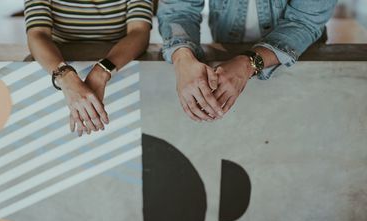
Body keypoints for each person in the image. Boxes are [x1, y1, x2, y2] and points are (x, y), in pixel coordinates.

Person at [157, 0, 337, 122]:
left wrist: (248, 63)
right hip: (227, 63)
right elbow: (179, 10)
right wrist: (183, 57)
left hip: (297, 61)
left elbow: (305, 22)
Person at [24, 0, 153, 136]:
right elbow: (37, 34)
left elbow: (140, 32)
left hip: (120, 68)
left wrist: (101, 72)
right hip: (54, 69)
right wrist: (66, 77)